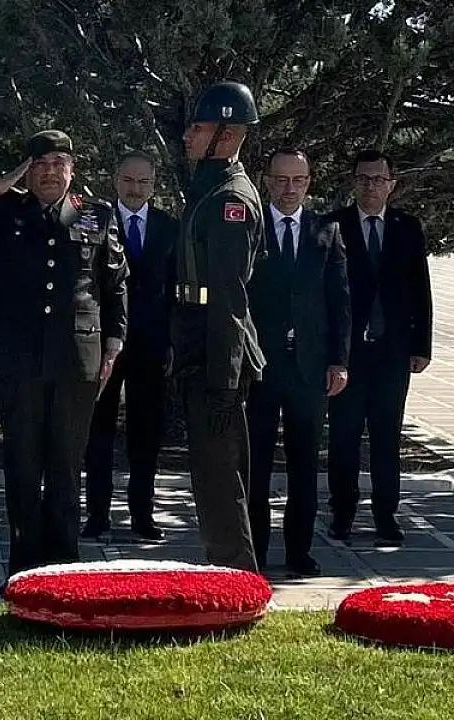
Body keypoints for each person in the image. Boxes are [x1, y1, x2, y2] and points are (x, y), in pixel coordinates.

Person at [0, 130, 128, 576]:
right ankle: (23, 571)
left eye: (59, 164)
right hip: (19, 359)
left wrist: (114, 344)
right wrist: (5, 183)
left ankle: (63, 571)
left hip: (77, 360)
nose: (50, 173)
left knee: (65, 468)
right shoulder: (6, 212)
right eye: (40, 165)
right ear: (27, 171)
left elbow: (114, 282)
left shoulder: (94, 214)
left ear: (72, 170)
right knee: (22, 466)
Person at [167, 81, 267, 573]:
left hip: (216, 351)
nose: (189, 136)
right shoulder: (208, 185)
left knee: (221, 479)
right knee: (210, 476)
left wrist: (224, 380)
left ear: (227, 135)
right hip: (198, 343)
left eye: (199, 128)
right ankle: (226, 571)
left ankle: (238, 578)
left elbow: (229, 296)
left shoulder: (231, 200)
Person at [245, 147, 350, 575]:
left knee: (304, 464)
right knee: (255, 464)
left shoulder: (326, 230)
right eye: (282, 179)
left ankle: (298, 552)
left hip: (309, 368)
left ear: (309, 183)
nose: (290, 188)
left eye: (298, 180)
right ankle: (253, 551)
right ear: (267, 181)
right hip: (260, 365)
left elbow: (340, 300)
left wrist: (339, 361)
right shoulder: (250, 229)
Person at [325, 150, 433, 547]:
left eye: (378, 179)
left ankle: (386, 516)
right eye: (363, 178)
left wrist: (421, 345)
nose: (370, 186)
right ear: (353, 182)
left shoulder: (407, 227)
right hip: (348, 354)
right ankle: (342, 513)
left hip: (392, 352)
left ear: (392, 184)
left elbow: (420, 288)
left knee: (387, 437)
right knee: (344, 436)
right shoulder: (334, 225)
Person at [82, 150, 177, 542]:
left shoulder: (170, 227)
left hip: (151, 345)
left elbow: (176, 290)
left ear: (154, 185)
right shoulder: (93, 221)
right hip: (102, 342)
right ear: (115, 180)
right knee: (98, 430)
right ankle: (97, 515)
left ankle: (142, 515)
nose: (135, 189)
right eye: (128, 180)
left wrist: (173, 340)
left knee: (146, 433)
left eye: (143, 182)